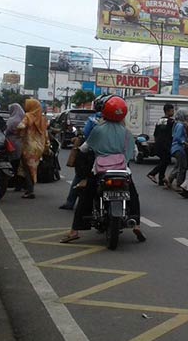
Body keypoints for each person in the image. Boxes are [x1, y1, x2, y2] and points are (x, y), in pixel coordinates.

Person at [60, 96, 145, 243]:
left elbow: (85, 148)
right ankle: (136, 224)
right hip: (122, 171)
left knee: (85, 197)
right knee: (133, 195)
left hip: (100, 171)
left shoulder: (98, 129)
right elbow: (134, 152)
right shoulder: (127, 132)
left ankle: (75, 231)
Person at [60, 94, 110, 209]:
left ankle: (70, 202)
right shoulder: (117, 122)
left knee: (79, 176)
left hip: (92, 154)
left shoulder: (93, 120)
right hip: (113, 156)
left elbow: (86, 136)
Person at [16, 99, 48, 199]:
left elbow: (21, 126)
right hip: (39, 146)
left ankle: (30, 191)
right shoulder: (42, 118)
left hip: (29, 146)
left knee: (28, 169)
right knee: (32, 168)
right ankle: (26, 188)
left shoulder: (28, 116)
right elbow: (45, 134)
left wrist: (19, 132)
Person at [147, 103, 175, 186]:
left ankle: (161, 179)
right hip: (166, 144)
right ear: (168, 111)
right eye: (172, 110)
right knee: (166, 160)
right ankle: (152, 173)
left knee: (164, 160)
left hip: (158, 143)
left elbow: (155, 133)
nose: (173, 112)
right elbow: (172, 134)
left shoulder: (159, 121)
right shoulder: (171, 122)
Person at [166, 108, 188, 192]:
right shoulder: (180, 125)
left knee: (178, 165)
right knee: (182, 166)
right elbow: (177, 137)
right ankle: (179, 184)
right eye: (187, 116)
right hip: (179, 148)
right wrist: (185, 143)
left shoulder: (178, 124)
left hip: (175, 148)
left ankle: (169, 179)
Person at [5, 103, 24, 181]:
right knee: (19, 163)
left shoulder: (12, 120)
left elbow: (7, 130)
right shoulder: (23, 119)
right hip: (21, 142)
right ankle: (19, 182)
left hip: (12, 142)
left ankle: (13, 180)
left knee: (13, 162)